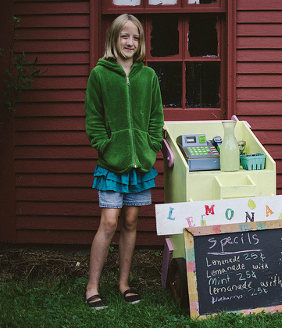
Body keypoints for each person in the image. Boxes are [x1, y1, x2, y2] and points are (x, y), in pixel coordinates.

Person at [84, 14, 164, 309]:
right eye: (124, 36)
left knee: (130, 221)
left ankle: (123, 283)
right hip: (111, 162)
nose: (130, 42)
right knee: (109, 221)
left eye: (136, 37)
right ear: (114, 39)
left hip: (140, 162)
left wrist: (151, 145)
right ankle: (92, 286)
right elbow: (93, 119)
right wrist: (105, 146)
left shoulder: (148, 76)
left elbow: (157, 116)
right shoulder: (100, 74)